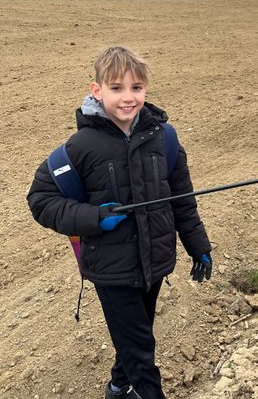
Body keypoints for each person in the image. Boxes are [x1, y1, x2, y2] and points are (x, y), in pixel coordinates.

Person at [27, 46, 212, 399]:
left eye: (137, 88)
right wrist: (94, 217)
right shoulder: (79, 147)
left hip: (154, 260)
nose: (128, 98)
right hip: (111, 269)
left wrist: (198, 246)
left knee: (135, 333)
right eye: (117, 88)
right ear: (96, 90)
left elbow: (183, 201)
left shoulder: (165, 139)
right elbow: (40, 200)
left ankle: (117, 385)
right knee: (141, 348)